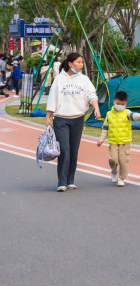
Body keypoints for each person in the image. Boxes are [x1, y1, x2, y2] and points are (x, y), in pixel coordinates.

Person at [46, 52, 101, 192]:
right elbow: (52, 98)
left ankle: (70, 180)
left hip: (78, 119)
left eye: (82, 62)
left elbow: (91, 95)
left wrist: (96, 108)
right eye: (78, 62)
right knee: (64, 150)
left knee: (74, 151)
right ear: (70, 64)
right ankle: (61, 182)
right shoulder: (59, 79)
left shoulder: (84, 79)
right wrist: (48, 117)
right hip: (61, 119)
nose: (81, 65)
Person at [96, 91, 140, 187]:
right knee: (113, 160)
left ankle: (121, 178)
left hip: (124, 142)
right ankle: (114, 172)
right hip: (113, 142)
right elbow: (105, 128)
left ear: (126, 103)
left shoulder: (127, 113)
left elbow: (133, 116)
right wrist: (101, 139)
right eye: (118, 104)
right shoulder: (109, 114)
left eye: (123, 104)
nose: (120, 106)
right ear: (114, 101)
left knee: (124, 161)